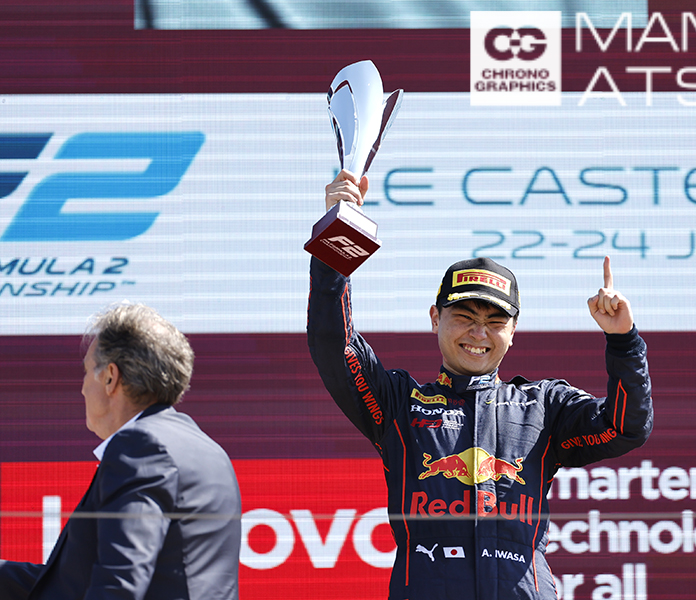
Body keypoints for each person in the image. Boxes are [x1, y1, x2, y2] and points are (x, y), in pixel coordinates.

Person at [307, 170, 653, 600]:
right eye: (464, 317)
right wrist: (338, 239)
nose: (479, 333)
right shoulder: (399, 404)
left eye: (495, 322)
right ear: (435, 318)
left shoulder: (544, 407)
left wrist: (623, 341)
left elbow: (625, 427)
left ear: (513, 332)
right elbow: (333, 345)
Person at [0, 303, 242, 600]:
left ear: (110, 377)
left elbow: (119, 583)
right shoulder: (210, 451)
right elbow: (74, 584)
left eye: (86, 371)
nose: (82, 388)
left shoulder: (141, 447)